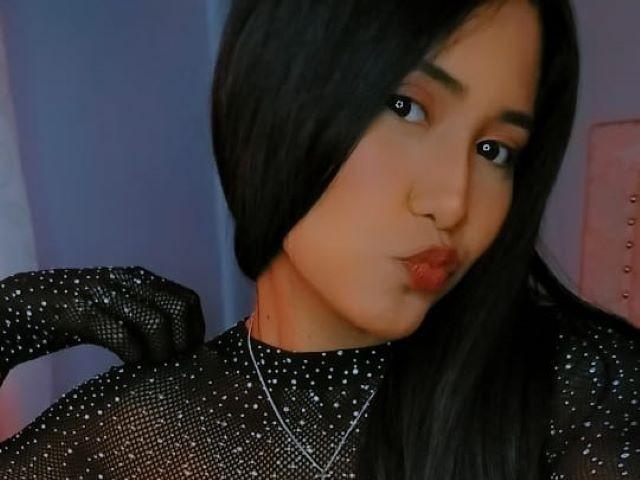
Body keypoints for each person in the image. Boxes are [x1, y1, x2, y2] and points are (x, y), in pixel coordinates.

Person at [1, 0, 639, 478]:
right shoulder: (126, 428)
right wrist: (18, 312)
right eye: (406, 107)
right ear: (278, 102)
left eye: (495, 149)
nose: (454, 202)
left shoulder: (580, 385)